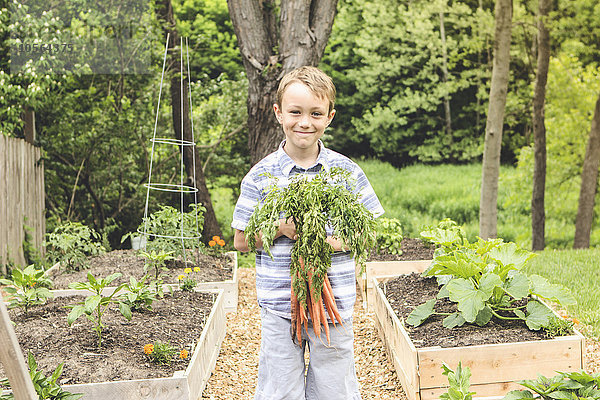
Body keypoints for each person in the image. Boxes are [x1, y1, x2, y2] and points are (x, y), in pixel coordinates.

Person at [231, 66, 384, 400]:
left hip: (334, 306)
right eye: (295, 112)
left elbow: (368, 233)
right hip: (280, 305)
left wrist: (324, 244)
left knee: (335, 388)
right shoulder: (261, 175)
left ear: (329, 117)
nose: (305, 122)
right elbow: (241, 240)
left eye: (316, 113)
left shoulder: (346, 172)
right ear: (278, 113)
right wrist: (281, 229)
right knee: (280, 390)